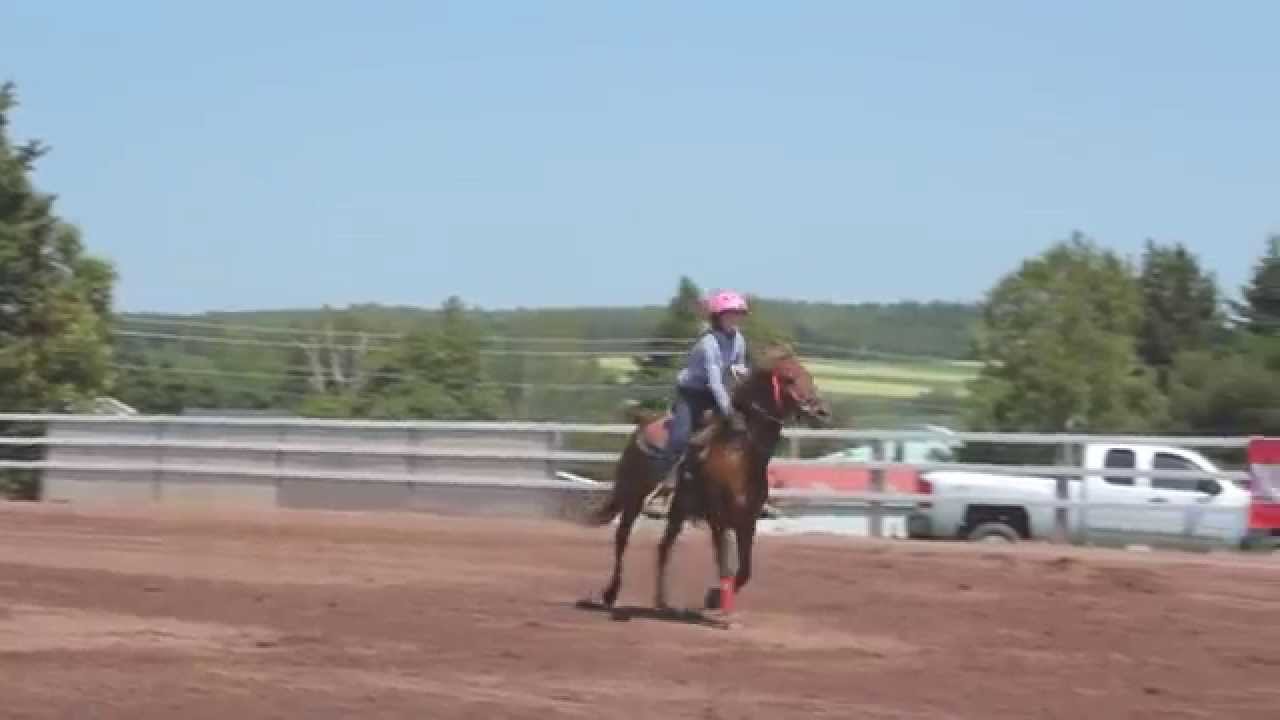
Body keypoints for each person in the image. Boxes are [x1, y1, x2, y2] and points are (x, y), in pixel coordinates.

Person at [651, 290, 751, 498]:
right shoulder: (708, 344)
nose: (735, 319)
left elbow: (738, 369)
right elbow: (714, 382)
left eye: (738, 314)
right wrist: (728, 410)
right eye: (729, 314)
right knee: (680, 437)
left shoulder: (739, 340)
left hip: (719, 393)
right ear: (718, 317)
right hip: (692, 394)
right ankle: (666, 482)